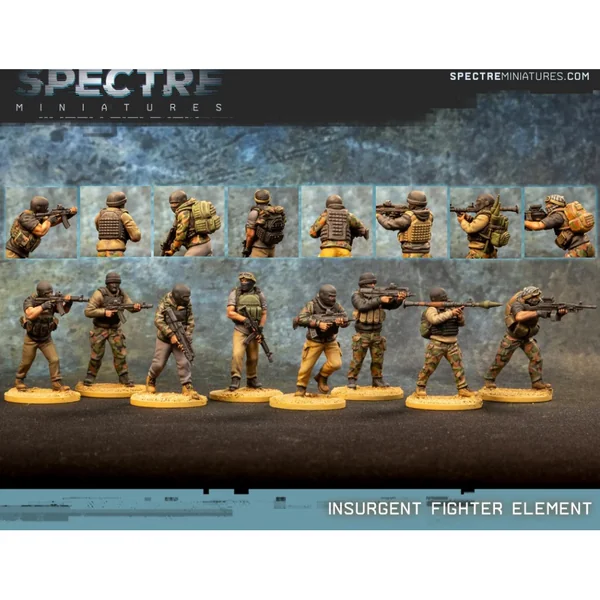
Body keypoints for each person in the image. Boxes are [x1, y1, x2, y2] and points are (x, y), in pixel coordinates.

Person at [484, 286, 566, 390]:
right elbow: (519, 316)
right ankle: (489, 379)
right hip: (513, 337)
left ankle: (537, 382)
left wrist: (559, 314)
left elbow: (551, 315)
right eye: (534, 297)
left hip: (527, 337)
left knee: (536, 358)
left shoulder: (539, 304)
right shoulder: (517, 304)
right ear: (527, 297)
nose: (537, 299)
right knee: (501, 360)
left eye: (537, 296)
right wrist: (538, 312)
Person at [347, 273, 406, 388]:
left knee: (378, 359)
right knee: (357, 359)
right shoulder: (357, 295)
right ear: (363, 284)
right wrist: (379, 300)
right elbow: (362, 306)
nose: (373, 285)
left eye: (374, 283)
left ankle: (377, 379)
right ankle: (351, 379)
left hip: (376, 333)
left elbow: (390, 306)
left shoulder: (378, 295)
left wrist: (398, 300)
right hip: (362, 333)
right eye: (371, 283)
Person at [83, 272, 141, 386]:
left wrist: (136, 307)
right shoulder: (99, 294)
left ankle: (124, 377)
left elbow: (129, 306)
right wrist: (104, 312)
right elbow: (88, 311)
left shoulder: (121, 293)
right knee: (96, 355)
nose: (115, 285)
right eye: (112, 283)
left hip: (115, 329)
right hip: (100, 329)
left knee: (120, 354)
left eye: (117, 283)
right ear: (107, 284)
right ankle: (90, 376)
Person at [415, 287, 475, 397]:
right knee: (429, 367)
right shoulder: (431, 309)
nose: (445, 299)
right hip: (437, 344)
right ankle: (420, 387)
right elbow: (434, 320)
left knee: (458, 367)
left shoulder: (450, 307)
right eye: (442, 298)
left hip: (452, 343)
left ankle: (462, 388)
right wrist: (451, 313)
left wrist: (459, 316)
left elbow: (461, 324)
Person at [15, 281, 73, 391]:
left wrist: (68, 303)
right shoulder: (30, 300)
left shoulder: (53, 301)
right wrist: (43, 306)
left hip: (46, 339)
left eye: (51, 292)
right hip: (31, 338)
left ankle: (56, 383)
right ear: (40, 293)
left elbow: (63, 311)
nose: (50, 295)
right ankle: (19, 380)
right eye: (47, 293)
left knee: (54, 359)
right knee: (26, 362)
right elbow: (30, 314)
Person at [146, 284, 200, 398]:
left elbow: (190, 321)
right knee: (158, 363)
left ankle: (187, 385)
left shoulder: (187, 304)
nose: (187, 299)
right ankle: (151, 379)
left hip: (181, 336)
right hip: (164, 338)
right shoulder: (165, 302)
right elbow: (158, 320)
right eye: (185, 297)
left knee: (184, 362)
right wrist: (170, 334)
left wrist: (186, 337)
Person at [294, 284, 349, 395]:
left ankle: (322, 376)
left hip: (330, 340)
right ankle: (301, 386)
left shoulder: (336, 306)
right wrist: (318, 324)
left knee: (336, 364)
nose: (333, 299)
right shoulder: (312, 305)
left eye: (334, 296)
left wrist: (342, 322)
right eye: (330, 296)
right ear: (322, 295)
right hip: (315, 341)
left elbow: (345, 318)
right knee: (306, 367)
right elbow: (301, 318)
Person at [226, 272, 268, 390]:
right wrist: (244, 319)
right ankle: (235, 377)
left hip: (254, 331)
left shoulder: (259, 294)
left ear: (252, 282)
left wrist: (260, 328)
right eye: (242, 281)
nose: (243, 283)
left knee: (253, 357)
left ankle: (252, 378)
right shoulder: (235, 293)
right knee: (237, 354)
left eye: (246, 281)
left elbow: (264, 313)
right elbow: (230, 313)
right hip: (240, 329)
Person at [6, 196, 77, 258]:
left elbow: (52, 223)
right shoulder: (26, 217)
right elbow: (41, 231)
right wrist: (49, 220)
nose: (47, 209)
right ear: (38, 207)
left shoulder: (35, 216)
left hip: (21, 253)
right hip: (12, 252)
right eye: (46, 207)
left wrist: (69, 213)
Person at [524, 194, 595, 257]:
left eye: (549, 204)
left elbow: (538, 226)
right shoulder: (565, 213)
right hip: (588, 246)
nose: (547, 206)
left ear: (555, 204)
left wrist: (523, 222)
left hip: (578, 249)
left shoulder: (557, 216)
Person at [161, 190, 221, 256]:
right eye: (171, 203)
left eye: (175, 203)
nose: (173, 205)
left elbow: (181, 234)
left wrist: (173, 250)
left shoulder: (183, 213)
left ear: (182, 201)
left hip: (199, 245)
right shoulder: (189, 208)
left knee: (186, 261)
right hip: (204, 243)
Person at [376, 190, 433, 258]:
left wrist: (379, 216)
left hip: (411, 254)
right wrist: (398, 215)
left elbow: (388, 224)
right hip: (426, 253)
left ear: (413, 205)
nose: (408, 205)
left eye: (410, 203)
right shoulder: (430, 216)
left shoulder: (408, 217)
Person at [94, 191, 141, 257]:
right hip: (116, 251)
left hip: (101, 251)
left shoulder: (100, 215)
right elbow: (136, 236)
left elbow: (99, 228)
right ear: (123, 203)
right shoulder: (124, 215)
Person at [243, 189, 286, 258]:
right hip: (272, 249)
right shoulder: (275, 211)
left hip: (258, 250)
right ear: (269, 199)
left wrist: (247, 248)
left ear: (256, 199)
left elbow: (250, 235)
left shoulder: (254, 213)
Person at [456, 193, 497, 258]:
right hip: (481, 249)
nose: (476, 204)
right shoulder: (486, 215)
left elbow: (470, 228)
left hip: (479, 251)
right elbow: (477, 224)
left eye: (478, 201)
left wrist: (462, 221)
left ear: (486, 203)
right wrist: (466, 217)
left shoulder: (483, 216)